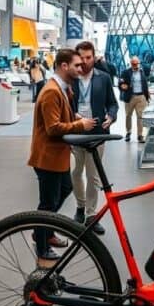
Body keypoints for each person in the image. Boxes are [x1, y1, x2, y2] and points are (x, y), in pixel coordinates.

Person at [27, 48, 95, 261]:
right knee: (47, 203)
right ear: (64, 66)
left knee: (65, 189)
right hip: (48, 157)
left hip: (58, 157)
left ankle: (45, 231)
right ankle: (42, 242)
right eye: (76, 65)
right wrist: (79, 124)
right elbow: (53, 128)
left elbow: (58, 116)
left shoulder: (62, 88)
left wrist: (72, 115)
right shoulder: (52, 91)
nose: (80, 67)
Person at [70, 41, 118, 234]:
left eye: (88, 58)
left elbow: (112, 103)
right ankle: (80, 206)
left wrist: (111, 116)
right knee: (75, 172)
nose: (85, 61)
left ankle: (91, 214)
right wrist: (73, 116)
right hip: (74, 131)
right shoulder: (70, 79)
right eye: (81, 58)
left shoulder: (103, 78)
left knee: (93, 176)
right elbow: (64, 104)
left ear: (94, 56)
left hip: (97, 132)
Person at [119, 56, 150, 142]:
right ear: (131, 63)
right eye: (133, 64)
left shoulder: (142, 72)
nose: (135, 66)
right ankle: (128, 132)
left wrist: (147, 96)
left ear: (139, 63)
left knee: (140, 117)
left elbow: (145, 84)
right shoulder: (126, 72)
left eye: (137, 64)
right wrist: (122, 86)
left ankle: (140, 135)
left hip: (141, 97)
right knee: (128, 115)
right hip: (130, 96)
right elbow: (121, 81)